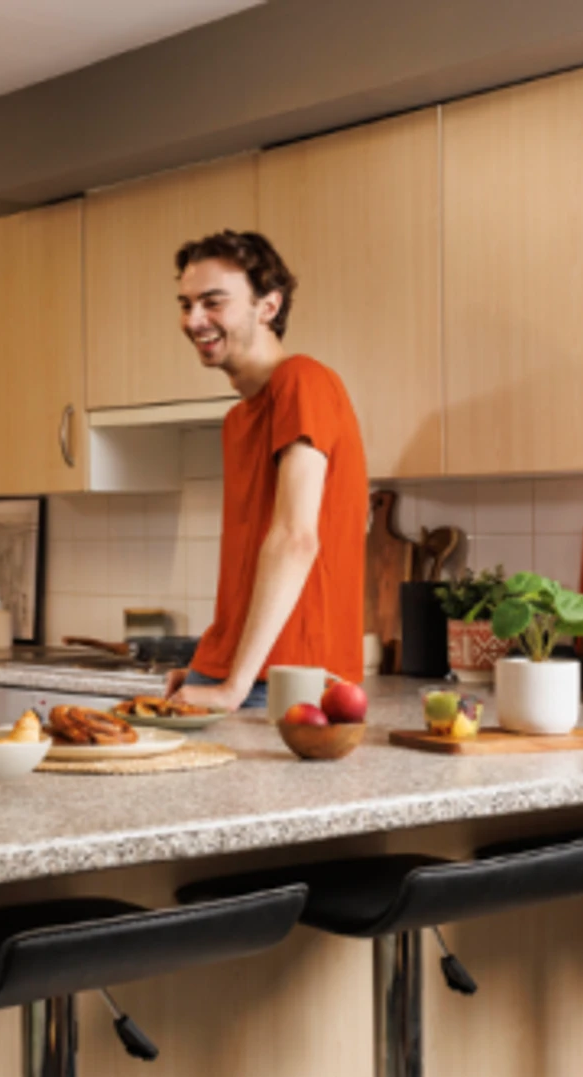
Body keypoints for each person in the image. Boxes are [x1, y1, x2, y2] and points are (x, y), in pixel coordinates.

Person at [166, 231, 368, 715]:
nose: (194, 321)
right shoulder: (239, 418)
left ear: (268, 307)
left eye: (213, 303)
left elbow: (297, 538)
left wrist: (232, 687)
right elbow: (251, 562)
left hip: (282, 684)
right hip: (230, 675)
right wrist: (208, 661)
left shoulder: (303, 382)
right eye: (186, 304)